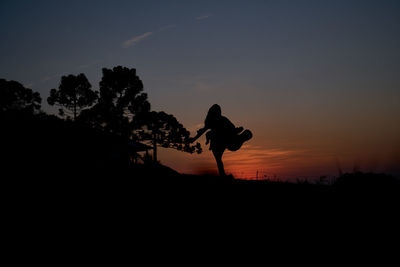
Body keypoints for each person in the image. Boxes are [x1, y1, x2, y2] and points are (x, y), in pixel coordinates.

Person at [188, 104, 252, 177]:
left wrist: (236, 130)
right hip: (219, 140)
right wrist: (194, 138)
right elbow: (202, 131)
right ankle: (222, 175)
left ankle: (222, 175)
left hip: (225, 139)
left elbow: (230, 128)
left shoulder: (222, 119)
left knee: (219, 159)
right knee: (218, 159)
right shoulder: (212, 121)